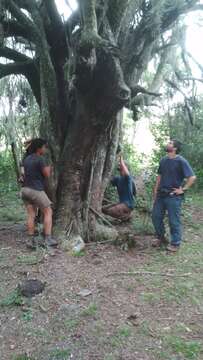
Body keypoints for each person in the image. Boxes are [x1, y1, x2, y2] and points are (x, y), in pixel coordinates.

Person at [152, 139, 196, 252]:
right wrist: (155, 191)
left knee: (173, 220)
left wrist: (183, 189)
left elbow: (192, 177)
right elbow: (159, 176)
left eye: (170, 143)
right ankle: (160, 237)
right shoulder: (163, 160)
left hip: (173, 196)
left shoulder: (181, 161)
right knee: (156, 217)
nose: (168, 144)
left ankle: (175, 243)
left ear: (175, 148)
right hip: (161, 195)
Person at [21, 138, 57, 249]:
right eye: (44, 147)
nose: (45, 149)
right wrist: (50, 168)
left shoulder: (26, 159)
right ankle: (48, 239)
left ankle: (30, 241)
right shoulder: (40, 159)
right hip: (35, 190)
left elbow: (23, 173)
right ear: (39, 148)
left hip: (25, 190)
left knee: (31, 214)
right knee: (48, 211)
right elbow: (46, 175)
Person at [102, 155, 136, 221]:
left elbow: (134, 194)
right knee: (103, 209)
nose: (120, 171)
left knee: (111, 211)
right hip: (121, 203)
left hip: (128, 205)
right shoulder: (118, 179)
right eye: (119, 170)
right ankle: (124, 214)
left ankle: (127, 216)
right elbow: (108, 179)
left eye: (121, 169)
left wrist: (121, 159)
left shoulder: (129, 179)